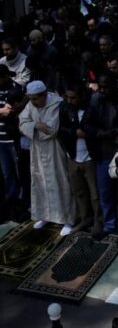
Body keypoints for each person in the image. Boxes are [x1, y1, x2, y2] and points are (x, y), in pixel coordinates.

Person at [82, 73, 118, 237]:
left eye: (106, 87)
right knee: (105, 194)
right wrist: (102, 133)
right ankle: (109, 226)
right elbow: (85, 123)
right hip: (103, 153)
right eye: (100, 87)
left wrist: (105, 133)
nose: (102, 90)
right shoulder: (95, 99)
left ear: (115, 85)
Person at [19, 80, 75, 236]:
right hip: (37, 150)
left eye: (35, 99)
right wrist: (36, 125)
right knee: (40, 181)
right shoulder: (31, 104)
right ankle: (45, 215)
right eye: (31, 99)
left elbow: (53, 129)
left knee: (61, 182)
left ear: (44, 95)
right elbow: (22, 122)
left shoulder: (58, 104)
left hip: (54, 149)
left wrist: (35, 125)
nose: (33, 102)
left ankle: (67, 219)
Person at [58, 81, 101, 234]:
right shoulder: (65, 108)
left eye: (73, 98)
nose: (69, 101)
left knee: (95, 194)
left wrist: (88, 134)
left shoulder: (92, 108)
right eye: (67, 97)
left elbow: (100, 129)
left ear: (82, 96)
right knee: (79, 192)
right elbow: (61, 130)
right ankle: (85, 219)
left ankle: (98, 221)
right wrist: (74, 133)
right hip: (73, 157)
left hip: (90, 158)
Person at [0, 65, 23, 221]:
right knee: (7, 173)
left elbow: (15, 111)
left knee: (20, 172)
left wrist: (7, 111)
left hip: (14, 138)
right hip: (0, 139)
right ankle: (11, 203)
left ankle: (22, 202)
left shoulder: (17, 88)